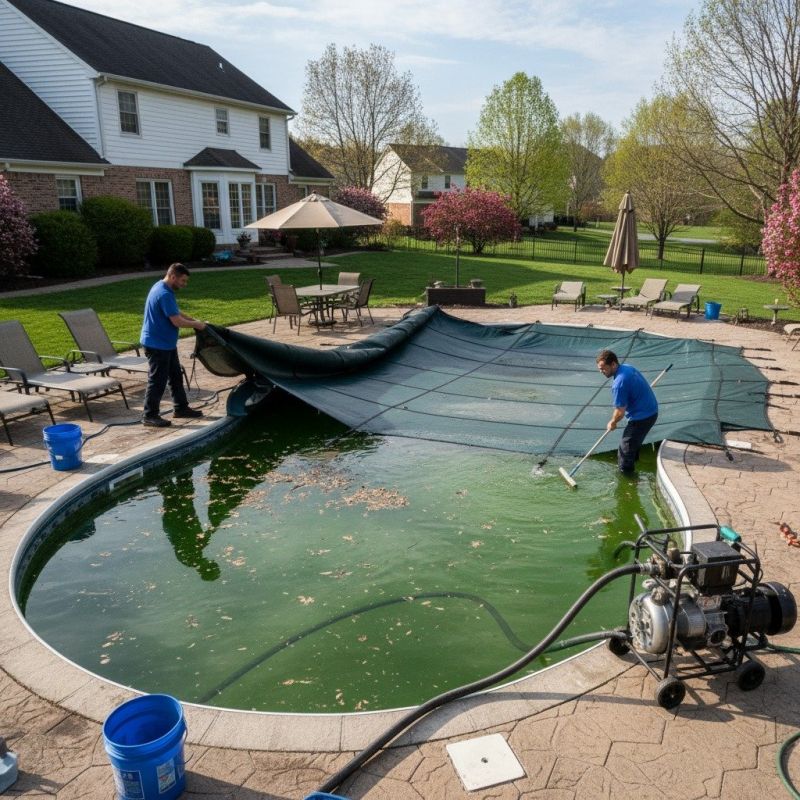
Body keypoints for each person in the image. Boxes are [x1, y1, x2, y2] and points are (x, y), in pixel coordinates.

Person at [140, 262, 206, 427]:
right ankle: (149, 415)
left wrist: (192, 319)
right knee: (158, 380)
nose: (184, 285)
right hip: (157, 345)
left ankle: (181, 408)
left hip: (166, 344)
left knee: (175, 376)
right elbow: (176, 321)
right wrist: (197, 325)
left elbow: (174, 312)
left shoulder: (162, 287)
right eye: (183, 281)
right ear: (172, 276)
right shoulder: (164, 293)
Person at [596, 349, 658, 474]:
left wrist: (612, 422)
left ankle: (628, 479)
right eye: (599, 368)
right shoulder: (627, 367)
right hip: (651, 410)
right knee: (632, 445)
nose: (601, 371)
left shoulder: (619, 383)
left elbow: (620, 412)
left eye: (603, 368)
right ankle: (634, 461)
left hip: (642, 418)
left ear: (613, 364)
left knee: (624, 453)